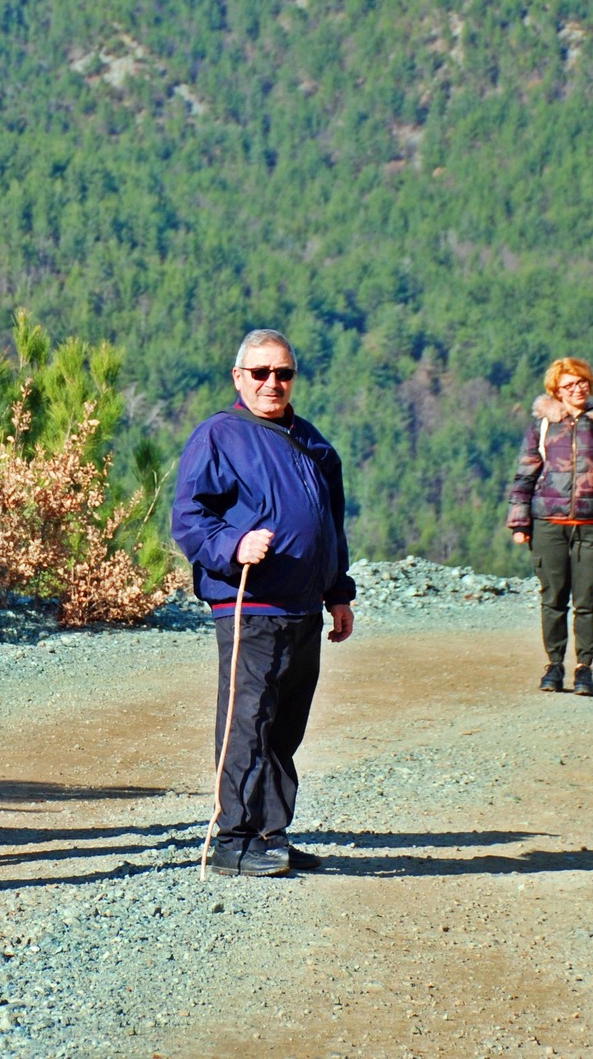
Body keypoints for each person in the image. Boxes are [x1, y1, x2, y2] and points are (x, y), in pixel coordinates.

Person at [171, 329, 356, 878]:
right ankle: (231, 842)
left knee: (285, 726)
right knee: (247, 721)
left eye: (283, 373)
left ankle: (271, 835)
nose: (272, 382)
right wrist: (234, 545)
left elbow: (331, 527)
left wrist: (338, 594)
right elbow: (189, 518)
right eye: (260, 373)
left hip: (303, 608)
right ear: (239, 377)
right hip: (248, 605)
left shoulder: (314, 443)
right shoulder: (218, 436)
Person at [506, 357, 593, 696]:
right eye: (569, 385)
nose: (577, 390)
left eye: (582, 383)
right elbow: (525, 474)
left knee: (588, 599)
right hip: (548, 523)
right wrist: (519, 521)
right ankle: (554, 665)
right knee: (553, 598)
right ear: (556, 391)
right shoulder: (543, 426)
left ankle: (584, 669)